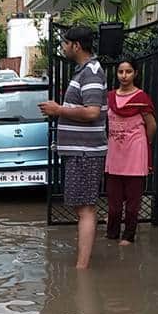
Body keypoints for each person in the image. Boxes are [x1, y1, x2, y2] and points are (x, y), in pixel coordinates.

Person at [38, 26, 108, 269]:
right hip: (79, 152)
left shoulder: (92, 72)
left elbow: (92, 112)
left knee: (85, 209)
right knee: (82, 208)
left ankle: (82, 269)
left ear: (76, 45)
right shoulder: (83, 72)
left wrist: (58, 110)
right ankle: (82, 265)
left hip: (85, 153)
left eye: (65, 44)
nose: (63, 48)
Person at [105, 58, 157, 246]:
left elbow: (152, 125)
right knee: (113, 203)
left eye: (128, 71)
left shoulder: (142, 98)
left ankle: (128, 236)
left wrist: (143, 144)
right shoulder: (110, 97)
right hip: (115, 153)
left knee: (133, 203)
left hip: (135, 153)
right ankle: (111, 234)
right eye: (121, 72)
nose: (124, 76)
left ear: (135, 73)